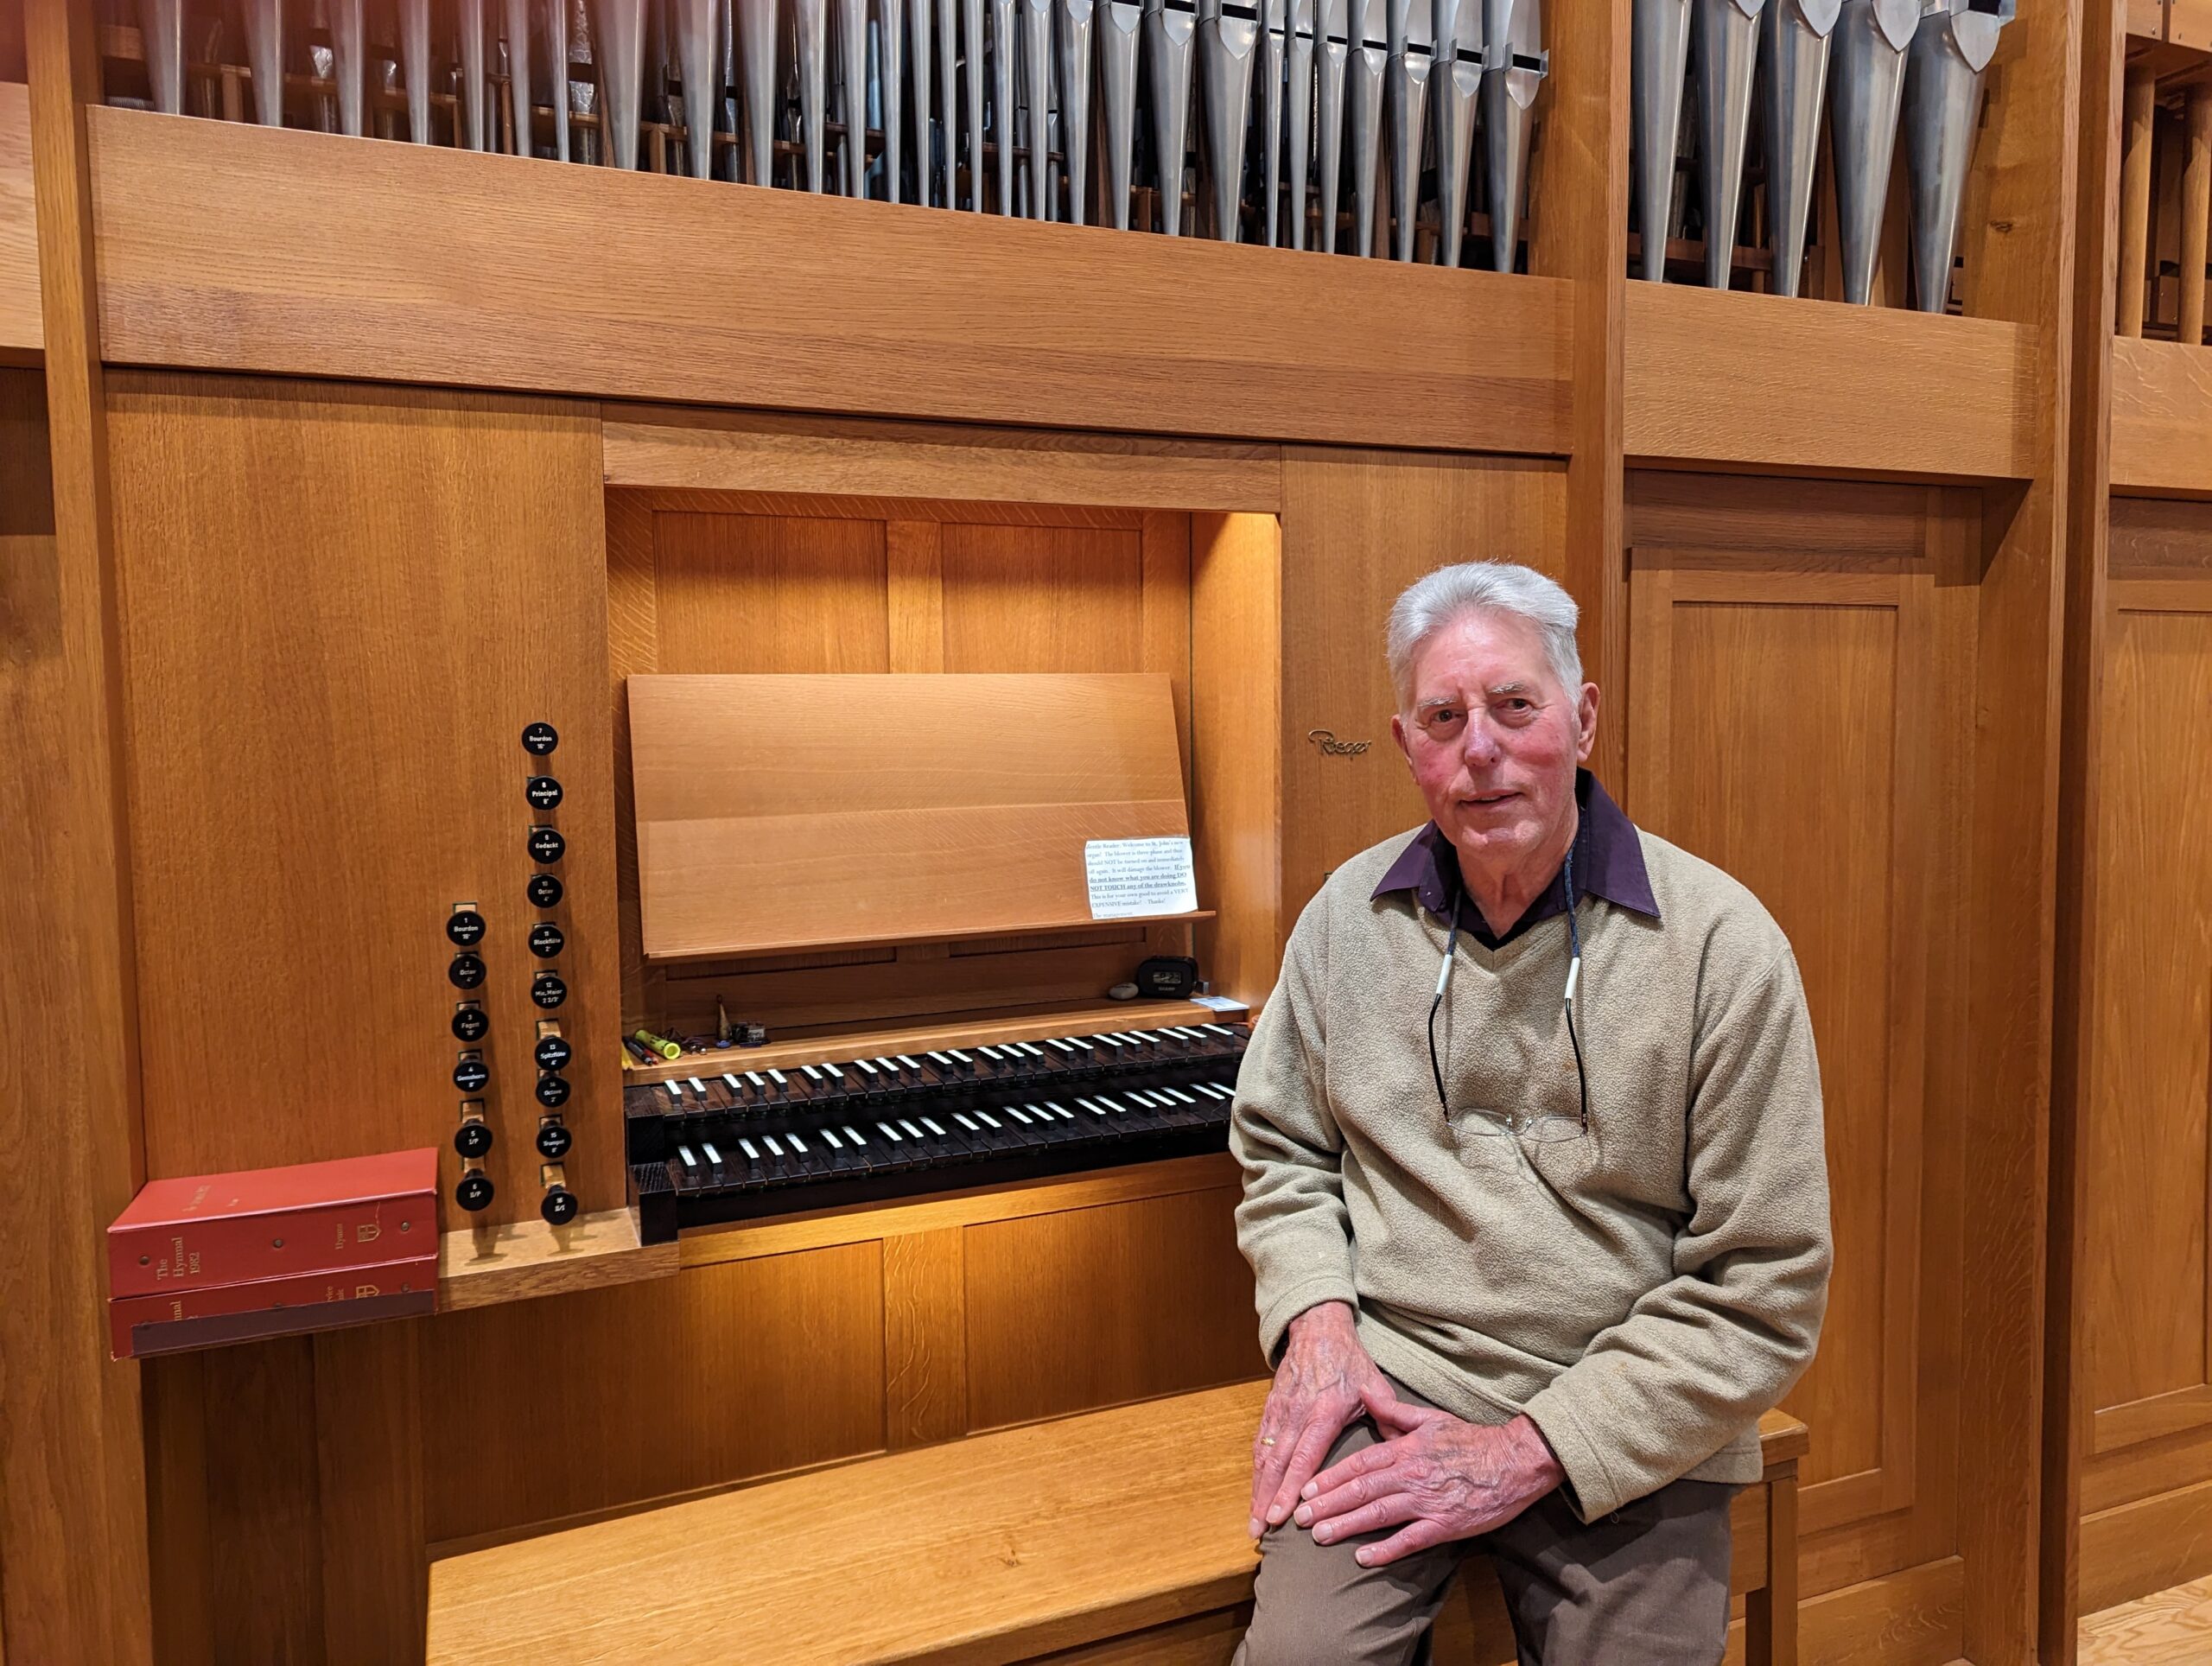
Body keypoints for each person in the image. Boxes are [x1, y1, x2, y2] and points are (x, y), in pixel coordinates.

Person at [1228, 562, 1833, 1665]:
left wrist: (1534, 1445)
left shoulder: (1721, 947)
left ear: (1581, 717)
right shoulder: (1340, 921)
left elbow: (1765, 1285)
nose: (1482, 749)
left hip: (1628, 1403)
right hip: (1393, 1377)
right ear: (1408, 744)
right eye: (1444, 716)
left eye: (1516, 705)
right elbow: (1282, 1151)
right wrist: (1316, 1317)